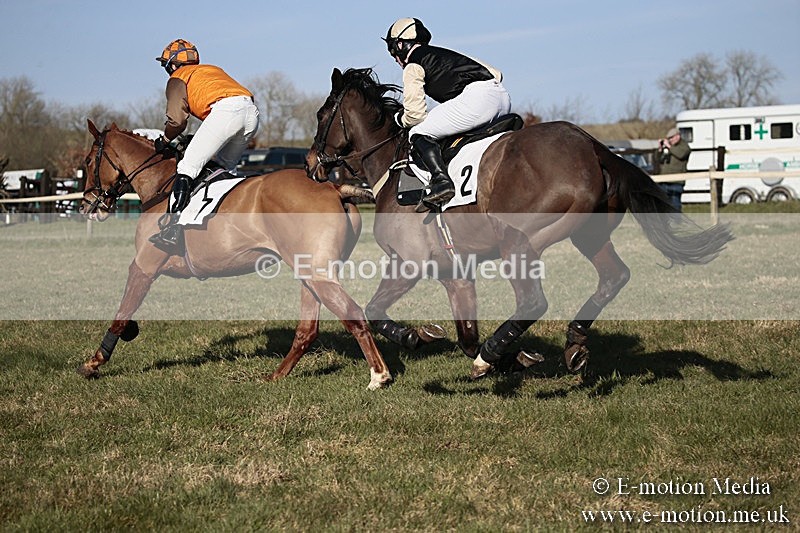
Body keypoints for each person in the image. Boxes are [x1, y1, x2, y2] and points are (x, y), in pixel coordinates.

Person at [383, 18, 511, 212]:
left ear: (400, 44)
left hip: (477, 100)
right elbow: (496, 73)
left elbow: (415, 115)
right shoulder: (442, 53)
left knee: (417, 132)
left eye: (393, 51)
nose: (395, 59)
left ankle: (441, 181)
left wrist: (398, 119)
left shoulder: (413, 64)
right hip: (502, 97)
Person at [149, 39, 260, 251]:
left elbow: (176, 121)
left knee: (187, 168)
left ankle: (172, 229)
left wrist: (164, 140)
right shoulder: (211, 70)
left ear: (172, 65)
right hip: (251, 112)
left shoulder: (177, 77)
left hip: (227, 112)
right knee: (222, 169)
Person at [657, 127, 691, 212]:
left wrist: (669, 146)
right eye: (668, 139)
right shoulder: (669, 148)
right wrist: (660, 149)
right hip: (664, 181)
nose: (670, 140)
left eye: (671, 138)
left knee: (675, 204)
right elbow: (658, 160)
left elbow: (681, 154)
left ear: (677, 136)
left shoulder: (684, 147)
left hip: (676, 181)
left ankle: (677, 223)